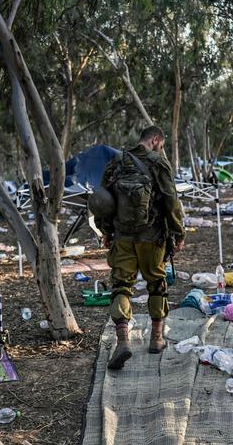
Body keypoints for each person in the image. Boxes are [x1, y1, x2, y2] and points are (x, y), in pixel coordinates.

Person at [95, 126, 185, 370]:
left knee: (121, 286)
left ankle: (122, 341)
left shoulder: (117, 161)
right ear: (155, 140)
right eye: (162, 145)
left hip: (123, 237)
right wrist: (178, 232)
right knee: (156, 282)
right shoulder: (158, 163)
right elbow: (171, 200)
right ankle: (156, 338)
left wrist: (106, 231)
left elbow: (103, 200)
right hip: (152, 236)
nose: (161, 149)